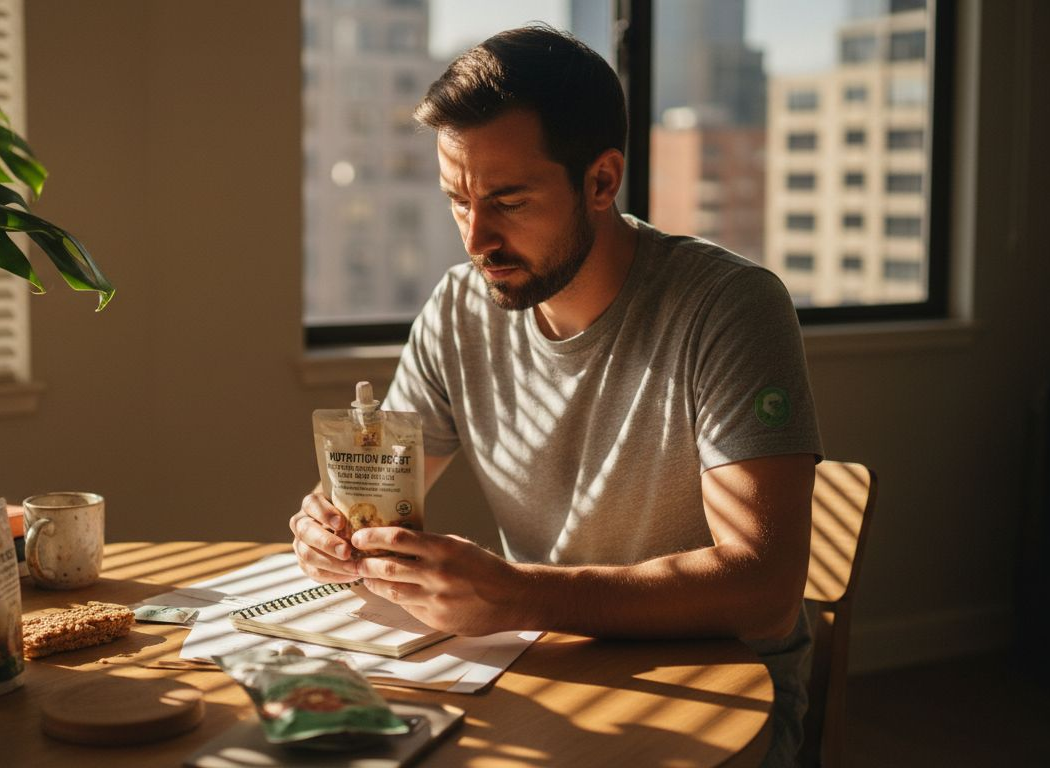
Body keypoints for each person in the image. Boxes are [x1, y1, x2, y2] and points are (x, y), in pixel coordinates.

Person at [289, 25, 821, 766]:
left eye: (507, 201)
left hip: (719, 696)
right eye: (457, 200)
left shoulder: (730, 307)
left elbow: (765, 587)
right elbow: (374, 490)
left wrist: (522, 595)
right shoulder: (457, 310)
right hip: (546, 668)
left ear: (602, 181)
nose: (477, 239)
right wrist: (333, 533)